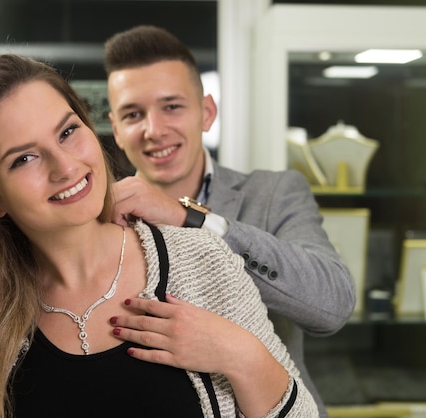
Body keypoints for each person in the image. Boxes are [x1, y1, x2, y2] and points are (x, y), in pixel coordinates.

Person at [0, 54, 318, 417]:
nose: (65, 166)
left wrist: (239, 354)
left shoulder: (199, 259)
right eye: (24, 158)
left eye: (68, 132)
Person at [104, 25, 356, 416]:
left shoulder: (273, 195)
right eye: (134, 114)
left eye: (172, 106)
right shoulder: (103, 217)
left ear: (207, 112)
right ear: (116, 129)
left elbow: (333, 305)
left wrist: (191, 219)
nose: (154, 130)